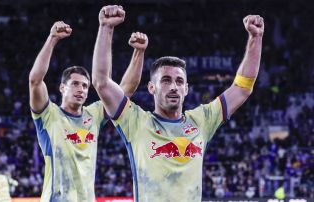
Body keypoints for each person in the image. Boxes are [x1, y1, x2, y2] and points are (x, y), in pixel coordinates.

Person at [92, 5, 264, 202]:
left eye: (179, 81)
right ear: (151, 88)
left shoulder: (201, 121)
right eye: (165, 80)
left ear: (186, 89)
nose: (173, 87)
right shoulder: (135, 121)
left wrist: (256, 39)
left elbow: (242, 87)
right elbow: (102, 82)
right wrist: (106, 28)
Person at [29, 21, 148, 201]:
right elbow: (35, 81)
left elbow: (126, 90)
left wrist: (139, 52)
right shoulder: (49, 114)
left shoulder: (93, 114)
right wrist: (52, 39)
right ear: (62, 88)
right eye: (75, 84)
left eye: (85, 86)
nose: (81, 89)